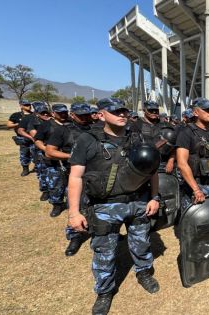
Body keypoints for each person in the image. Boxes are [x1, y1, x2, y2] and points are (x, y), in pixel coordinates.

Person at [67, 97, 160, 314]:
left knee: (141, 243)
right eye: (115, 111)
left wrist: (154, 197)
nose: (122, 115)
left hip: (137, 202)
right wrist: (73, 212)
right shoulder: (87, 140)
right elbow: (75, 177)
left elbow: (152, 169)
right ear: (100, 115)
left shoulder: (137, 138)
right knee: (104, 251)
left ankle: (144, 273)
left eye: (124, 112)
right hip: (103, 207)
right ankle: (105, 291)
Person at [46, 103, 93, 256]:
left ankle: (103, 231)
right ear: (72, 115)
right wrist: (73, 157)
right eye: (81, 115)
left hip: (98, 175)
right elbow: (50, 152)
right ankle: (75, 236)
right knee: (75, 207)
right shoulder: (63, 130)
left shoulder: (97, 128)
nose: (86, 118)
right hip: (76, 176)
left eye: (87, 114)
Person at [34, 104, 69, 212]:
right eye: (60, 113)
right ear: (53, 114)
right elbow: (37, 140)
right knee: (55, 184)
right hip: (53, 161)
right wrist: (47, 150)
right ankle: (57, 204)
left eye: (65, 112)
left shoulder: (72, 124)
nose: (63, 115)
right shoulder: (46, 125)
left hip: (69, 160)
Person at [20, 102, 51, 196]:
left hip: (52, 148)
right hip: (39, 150)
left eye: (46, 112)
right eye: (42, 113)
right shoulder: (33, 122)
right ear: (37, 114)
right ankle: (45, 190)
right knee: (41, 170)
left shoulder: (53, 121)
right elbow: (36, 136)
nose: (45, 114)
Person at [8, 100, 34, 176]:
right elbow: (9, 125)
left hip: (34, 138)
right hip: (23, 139)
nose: (28, 106)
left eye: (29, 104)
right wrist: (19, 124)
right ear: (21, 106)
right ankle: (25, 169)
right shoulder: (16, 115)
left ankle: (37, 167)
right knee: (24, 154)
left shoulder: (35, 115)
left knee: (36, 154)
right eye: (26, 105)